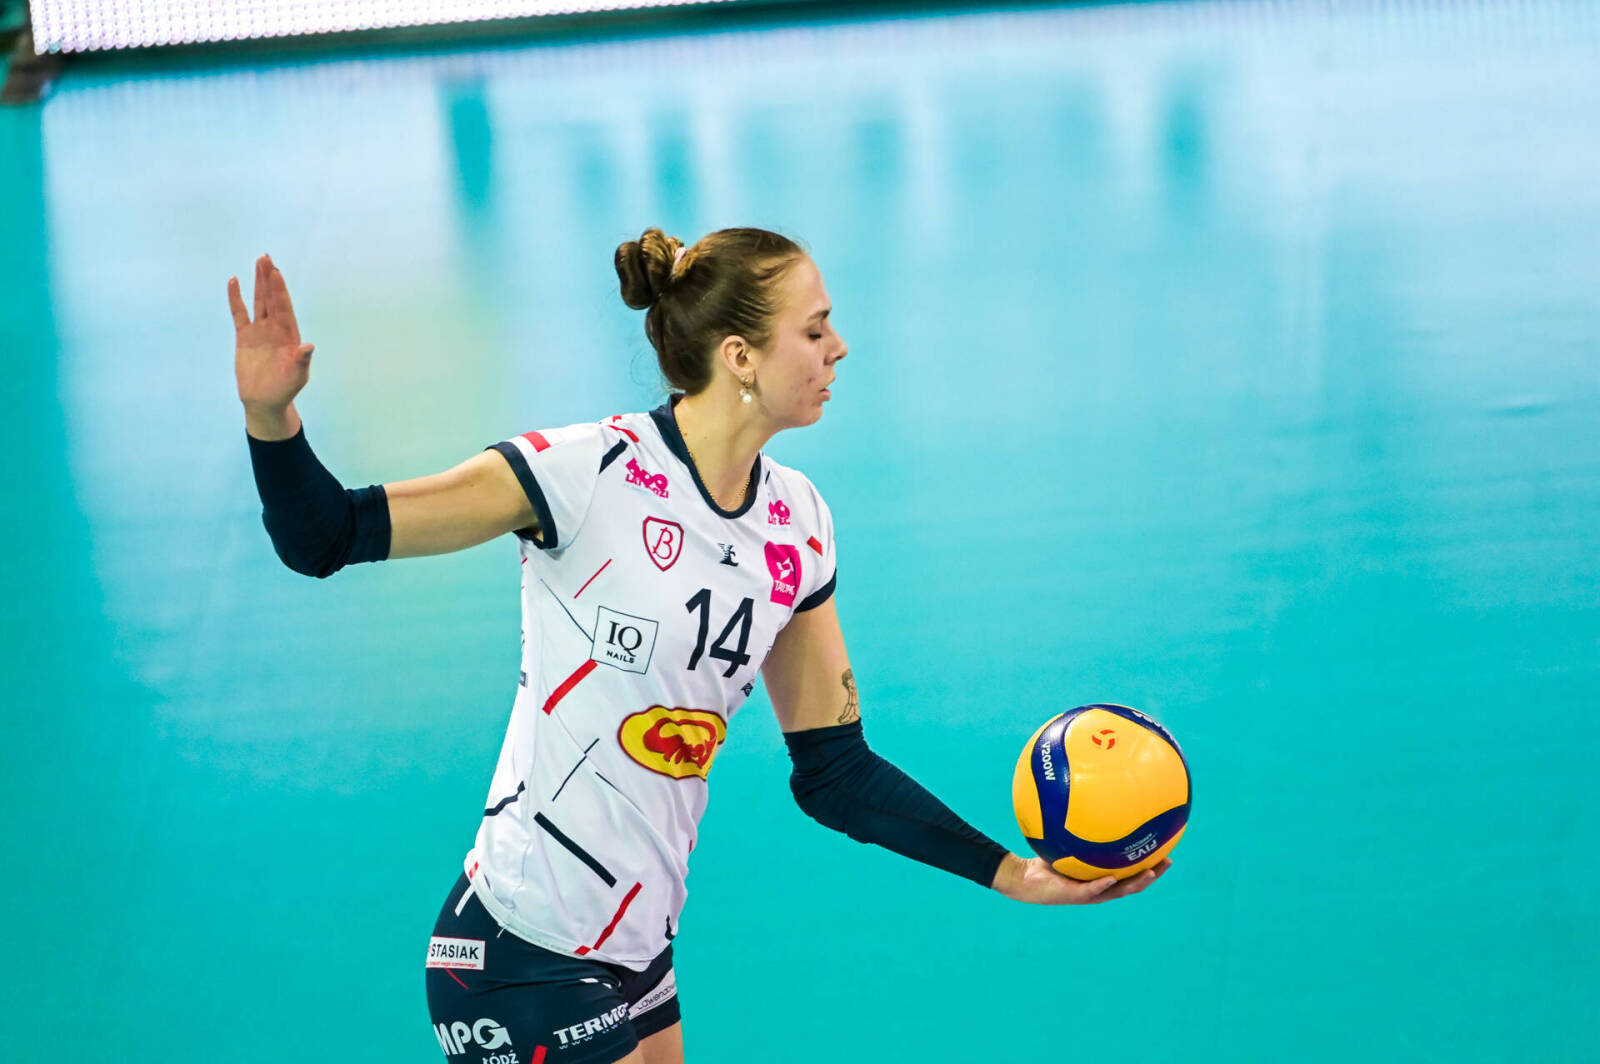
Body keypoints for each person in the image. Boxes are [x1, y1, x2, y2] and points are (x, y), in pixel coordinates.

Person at [230, 228, 1170, 1064]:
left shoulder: (797, 525)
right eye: (815, 329)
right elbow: (325, 535)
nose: (839, 347)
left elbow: (834, 770)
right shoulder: (581, 475)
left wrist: (1013, 875)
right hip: (521, 950)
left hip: (637, 948)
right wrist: (273, 420)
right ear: (740, 356)